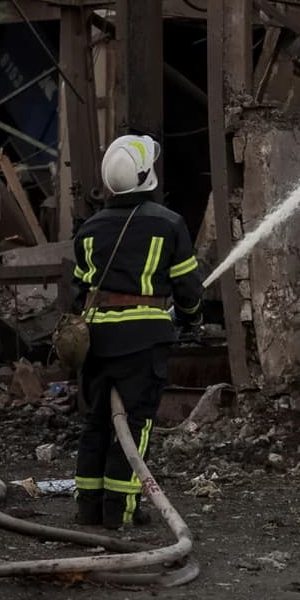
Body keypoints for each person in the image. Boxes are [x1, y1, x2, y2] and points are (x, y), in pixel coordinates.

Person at [65, 133, 204, 530]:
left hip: (94, 343)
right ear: (147, 177)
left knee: (96, 423)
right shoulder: (169, 225)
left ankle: (88, 508)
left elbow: (78, 293)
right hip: (144, 341)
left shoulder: (88, 230)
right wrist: (191, 320)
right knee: (135, 423)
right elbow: (188, 289)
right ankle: (120, 511)